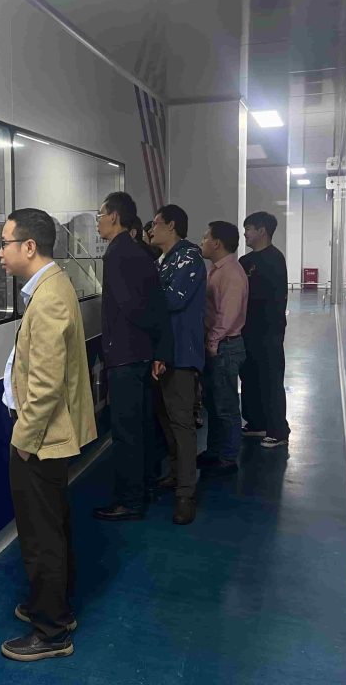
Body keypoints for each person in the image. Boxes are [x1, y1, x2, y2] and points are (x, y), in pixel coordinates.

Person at [0, 208, 97, 662]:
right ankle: (52, 606)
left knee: (40, 535)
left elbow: (45, 385)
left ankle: (52, 630)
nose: (0, 253)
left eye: (5, 243)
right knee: (50, 525)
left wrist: (23, 439)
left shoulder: (50, 296)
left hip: (39, 440)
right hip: (43, 436)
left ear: (29, 246)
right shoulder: (49, 287)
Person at [93, 192, 170, 521]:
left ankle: (130, 500)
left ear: (114, 216)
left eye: (100, 214)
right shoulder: (139, 251)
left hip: (125, 355)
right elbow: (155, 306)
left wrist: (118, 343)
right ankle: (146, 484)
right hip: (140, 353)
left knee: (125, 432)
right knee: (141, 426)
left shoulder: (117, 254)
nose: (97, 221)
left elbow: (131, 307)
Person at [149, 204, 206, 524]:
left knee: (182, 424)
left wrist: (141, 293)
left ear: (171, 226)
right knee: (166, 419)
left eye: (155, 224)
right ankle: (175, 473)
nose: (150, 229)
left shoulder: (189, 258)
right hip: (162, 353)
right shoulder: (164, 260)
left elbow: (172, 299)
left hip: (181, 355)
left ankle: (186, 493)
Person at [197, 221, 248, 474]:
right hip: (217, 344)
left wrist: (212, 342)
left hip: (225, 346)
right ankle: (214, 450)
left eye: (205, 236)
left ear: (216, 243)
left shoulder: (231, 274)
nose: (202, 241)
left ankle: (227, 458)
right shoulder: (217, 270)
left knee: (226, 406)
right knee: (213, 404)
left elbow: (227, 316)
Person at [239, 211, 290, 448]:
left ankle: (278, 430)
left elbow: (274, 300)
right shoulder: (245, 261)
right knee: (249, 376)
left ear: (262, 231)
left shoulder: (275, 259)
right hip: (247, 330)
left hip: (268, 331)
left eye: (248, 229)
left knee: (270, 379)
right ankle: (256, 422)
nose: (245, 234)